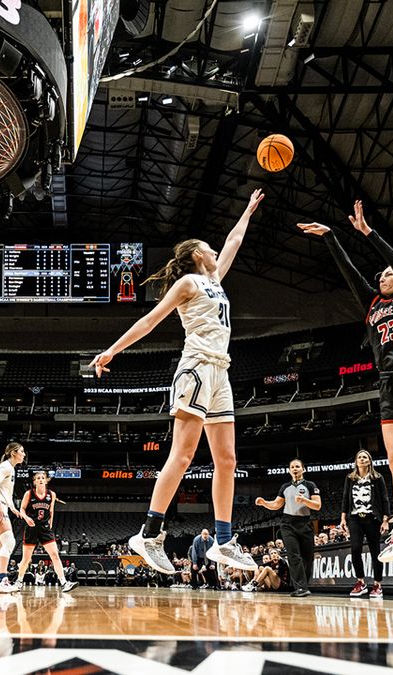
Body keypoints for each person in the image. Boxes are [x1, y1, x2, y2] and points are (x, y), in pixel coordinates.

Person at [91, 190, 265, 576]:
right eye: (210, 249)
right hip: (197, 367)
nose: (216, 251)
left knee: (227, 460)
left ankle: (223, 541)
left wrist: (247, 211)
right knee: (183, 455)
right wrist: (111, 351)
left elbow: (233, 241)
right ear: (198, 254)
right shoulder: (188, 281)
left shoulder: (215, 278)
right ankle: (149, 533)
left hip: (221, 371)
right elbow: (150, 320)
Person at [297, 202, 393, 560]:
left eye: (388, 274)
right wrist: (332, 237)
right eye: (379, 276)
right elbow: (351, 274)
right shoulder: (371, 304)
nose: (383, 278)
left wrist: (369, 234)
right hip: (387, 382)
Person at [256, 458, 321, 597]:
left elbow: (317, 505)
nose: (295, 469)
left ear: (303, 469)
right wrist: (264, 503)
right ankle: (301, 588)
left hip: (305, 523)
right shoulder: (285, 487)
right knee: (293, 555)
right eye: (292, 467)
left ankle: (304, 585)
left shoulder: (310, 485)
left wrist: (304, 500)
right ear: (289, 470)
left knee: (307, 557)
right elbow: (277, 504)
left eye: (297, 466)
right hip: (288, 524)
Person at [13, 471, 78, 592]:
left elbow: (51, 511)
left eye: (43, 477)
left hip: (45, 528)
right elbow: (21, 509)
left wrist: (50, 524)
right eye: (38, 478)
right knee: (26, 559)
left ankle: (64, 583)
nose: (41, 479)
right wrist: (26, 518)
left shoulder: (51, 494)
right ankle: (19, 581)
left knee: (55, 555)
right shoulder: (29, 493)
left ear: (46, 480)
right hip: (31, 527)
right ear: (35, 481)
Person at [339, 450, 390, 599]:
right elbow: (345, 499)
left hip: (373, 519)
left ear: (369, 461)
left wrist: (385, 520)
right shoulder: (350, 478)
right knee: (355, 549)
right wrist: (343, 518)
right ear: (356, 461)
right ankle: (360, 582)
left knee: (375, 552)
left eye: (365, 457)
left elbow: (385, 499)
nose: (362, 459)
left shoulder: (377, 477)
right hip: (355, 519)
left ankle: (377, 584)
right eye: (359, 457)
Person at [0, 442, 34, 593]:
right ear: (13, 453)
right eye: (22, 451)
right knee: (10, 542)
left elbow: (5, 491)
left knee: (1, 546)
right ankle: (3, 580)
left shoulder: (10, 468)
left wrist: (13, 508)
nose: (24, 454)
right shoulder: (5, 466)